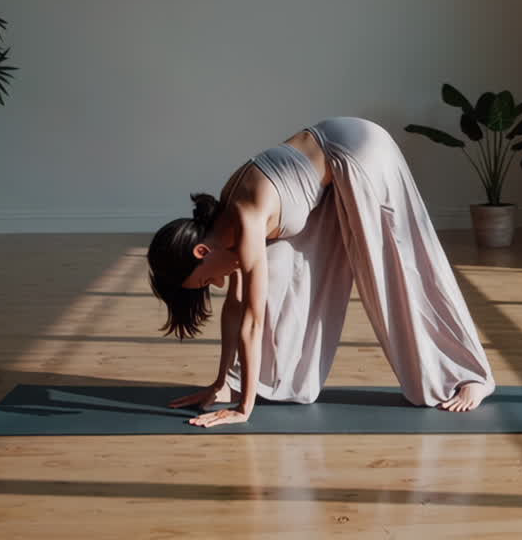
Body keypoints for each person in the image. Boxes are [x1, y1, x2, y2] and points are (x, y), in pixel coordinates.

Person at [146, 117, 495, 428]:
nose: (220, 283)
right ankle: (260, 380)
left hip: (357, 149)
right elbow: (235, 307)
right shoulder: (224, 232)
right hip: (326, 167)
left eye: (208, 279)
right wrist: (222, 381)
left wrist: (243, 409)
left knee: (400, 270)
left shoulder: (245, 219)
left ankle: (468, 374)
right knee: (285, 277)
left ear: (202, 251)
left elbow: (251, 322)